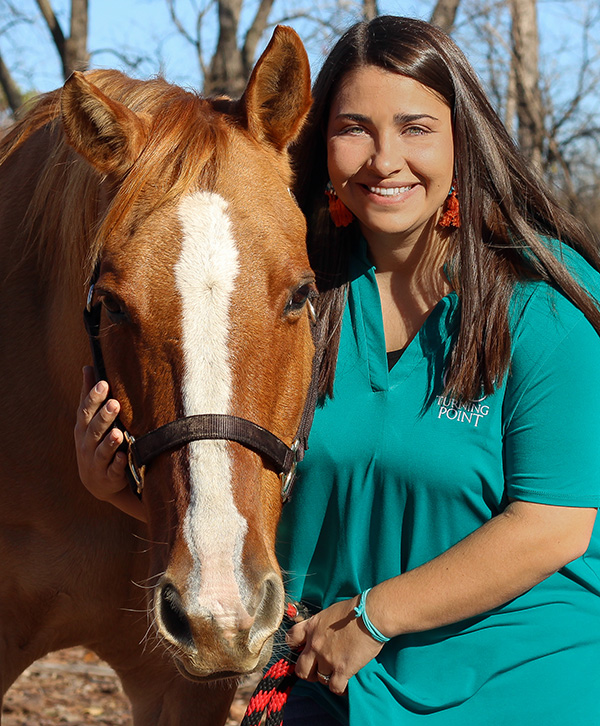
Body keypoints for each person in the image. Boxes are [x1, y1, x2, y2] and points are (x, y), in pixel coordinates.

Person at [76, 15, 600, 725]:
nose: (384, 160)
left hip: (523, 678)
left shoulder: (544, 301)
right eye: (355, 129)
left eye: (416, 128)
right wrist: (116, 490)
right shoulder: (300, 303)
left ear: (462, 139)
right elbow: (284, 511)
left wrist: (374, 618)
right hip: (337, 686)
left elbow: (553, 525)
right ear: (320, 143)